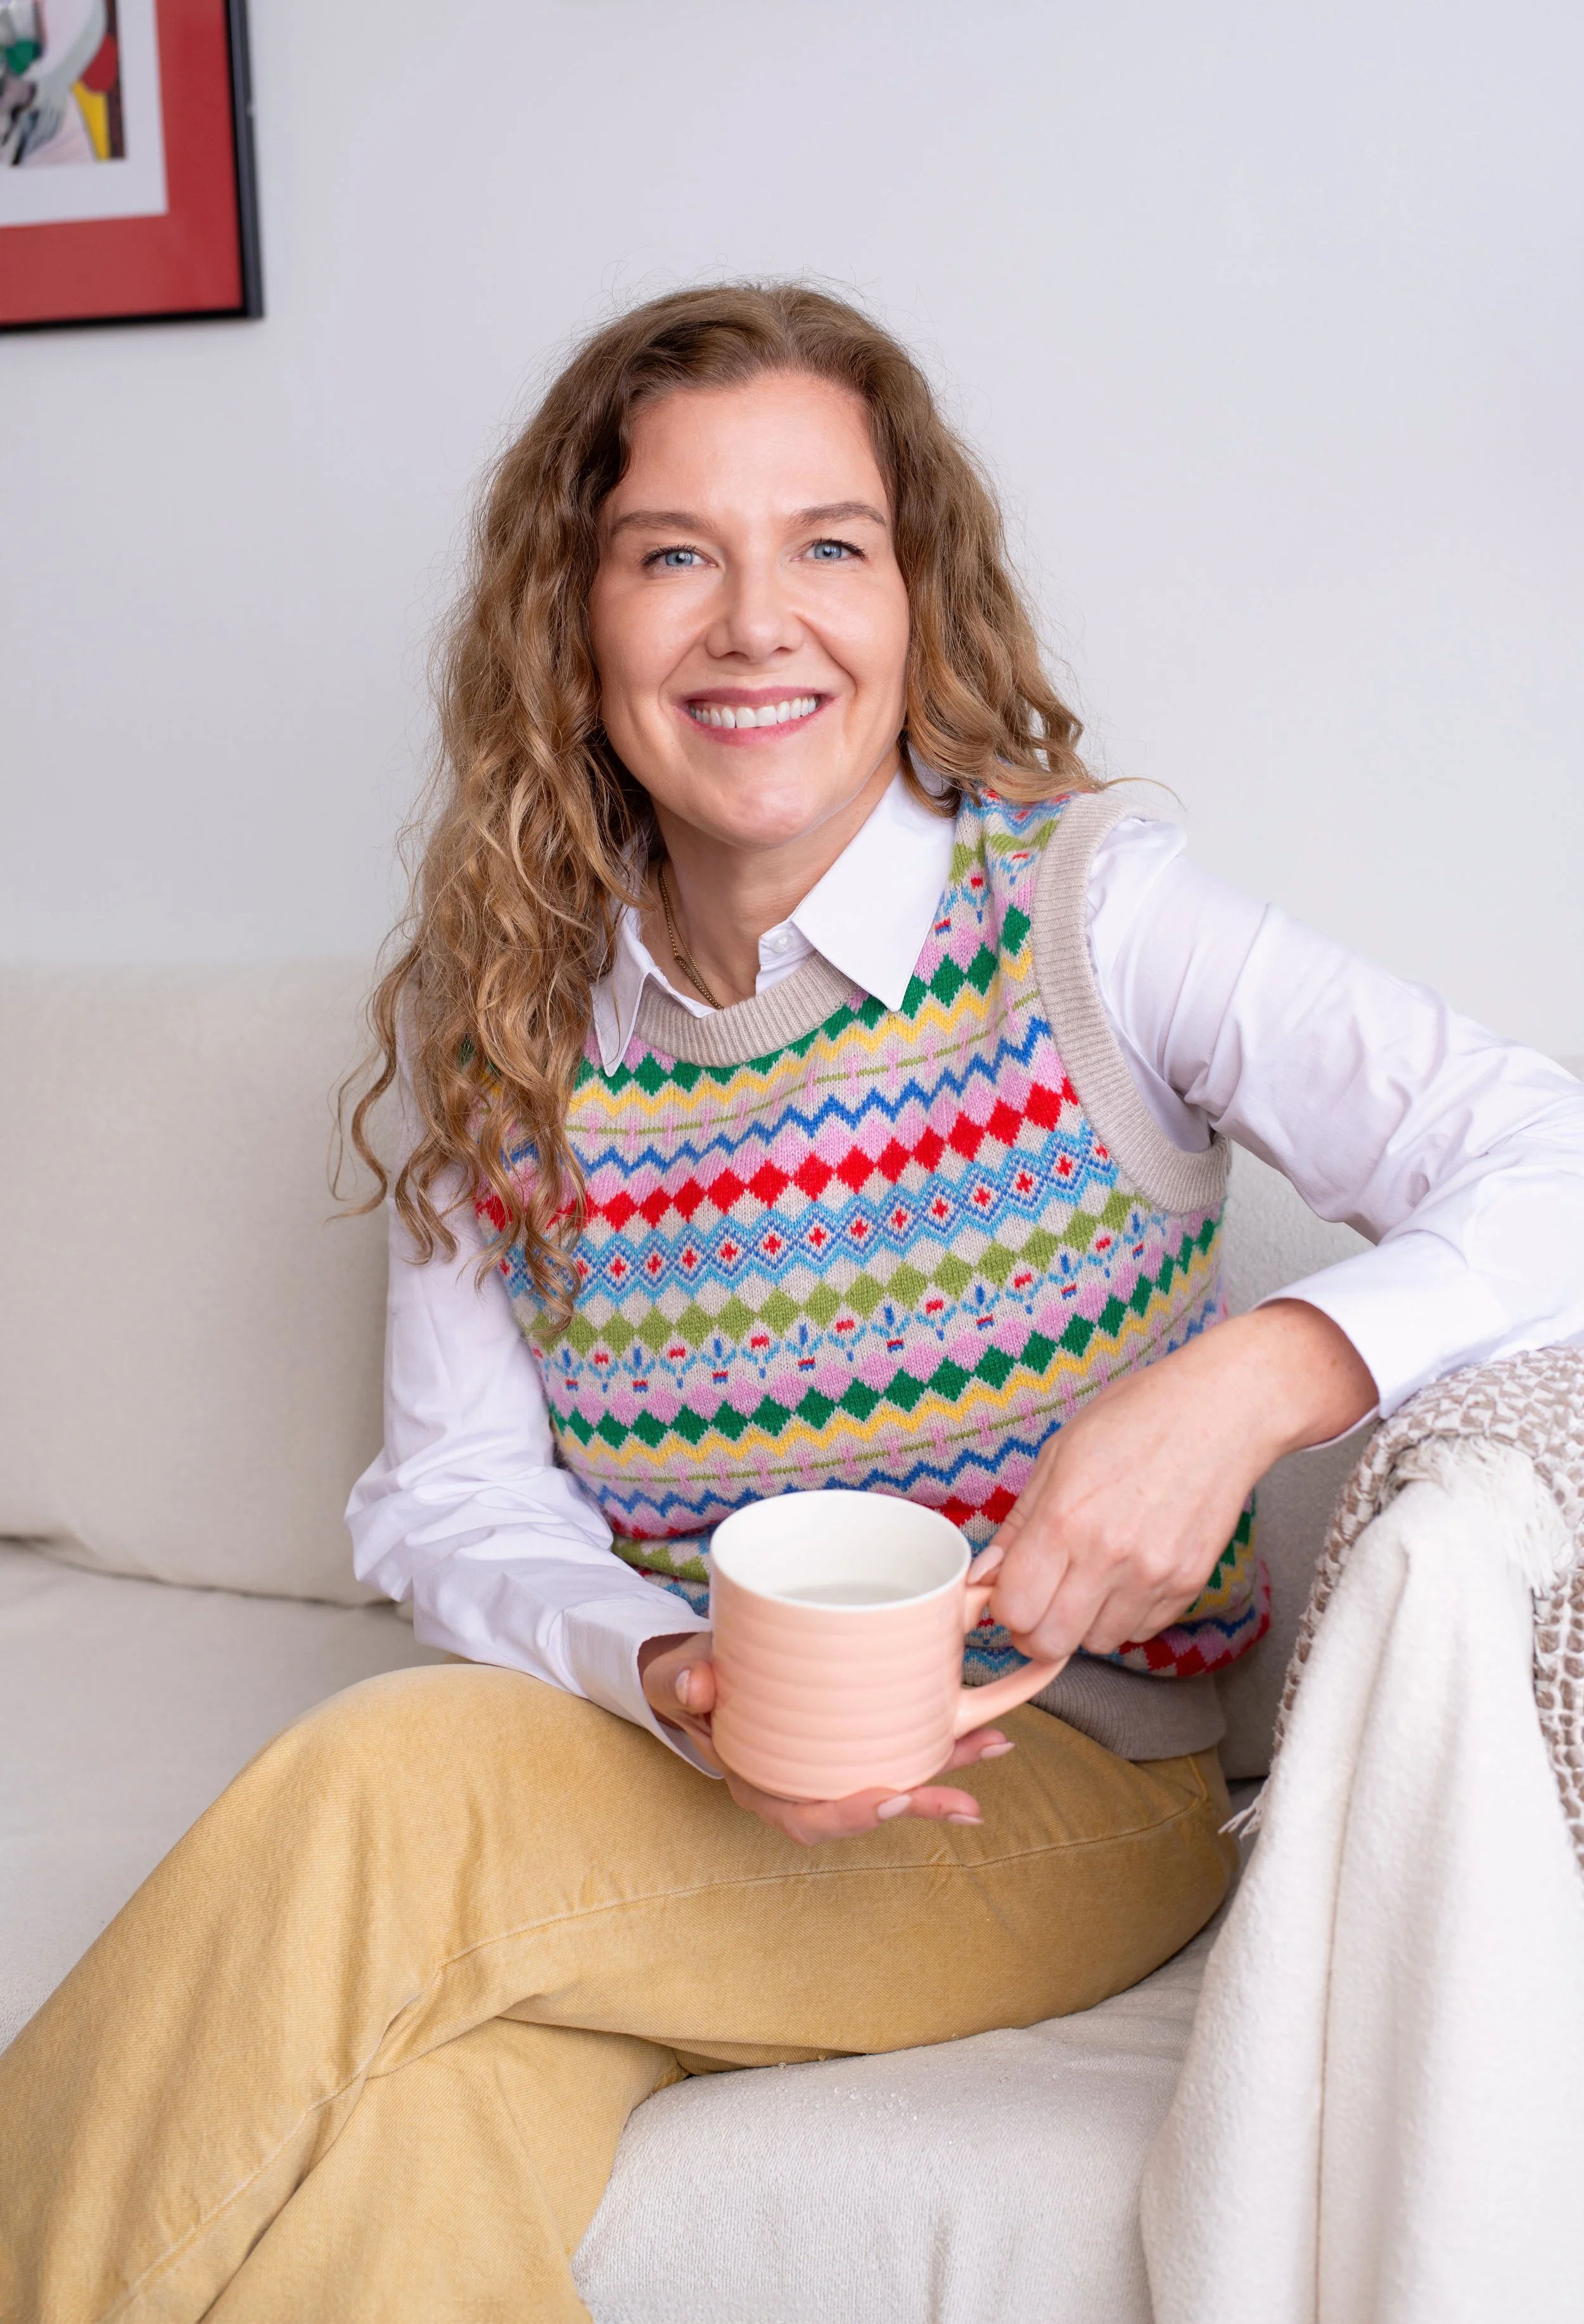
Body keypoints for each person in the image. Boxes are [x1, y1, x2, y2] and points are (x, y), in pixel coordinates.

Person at [3, 282, 1581, 2323]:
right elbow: (449, 1503)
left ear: (916, 596)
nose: (756, 622)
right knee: (410, 2149)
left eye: (827, 545)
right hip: (676, 1778)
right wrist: (666, 1671)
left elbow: (1551, 1156)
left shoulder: (1087, 919)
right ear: (571, 624)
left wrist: (1264, 1376)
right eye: (674, 554)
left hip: (1062, 1788)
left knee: (378, 1784)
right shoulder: (500, 1024)